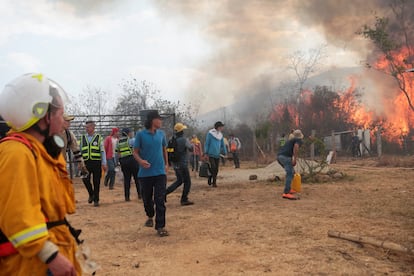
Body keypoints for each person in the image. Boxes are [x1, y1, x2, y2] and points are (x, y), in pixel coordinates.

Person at [0, 73, 81, 275]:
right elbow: (17, 217)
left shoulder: (38, 151)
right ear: (44, 115)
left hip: (50, 251)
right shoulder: (17, 153)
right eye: (60, 114)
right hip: (33, 264)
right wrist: (51, 256)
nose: (63, 121)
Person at [133, 110, 169, 237]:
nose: (161, 121)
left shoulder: (161, 134)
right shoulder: (141, 135)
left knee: (160, 199)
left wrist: (166, 163)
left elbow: (164, 149)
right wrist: (141, 161)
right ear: (153, 120)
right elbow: (135, 152)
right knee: (147, 199)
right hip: (145, 173)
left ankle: (160, 226)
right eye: (159, 119)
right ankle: (150, 215)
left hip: (160, 172)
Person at [166, 123, 194, 206]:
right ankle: (184, 199)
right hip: (183, 164)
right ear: (181, 131)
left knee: (179, 181)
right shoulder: (184, 140)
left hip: (175, 164)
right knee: (187, 182)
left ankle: (165, 192)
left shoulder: (172, 139)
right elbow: (191, 149)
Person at [80, 120, 107, 207]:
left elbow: (102, 151)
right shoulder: (82, 137)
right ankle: (91, 194)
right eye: (86, 127)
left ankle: (96, 200)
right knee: (85, 179)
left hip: (96, 162)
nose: (86, 129)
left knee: (96, 181)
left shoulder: (99, 138)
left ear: (93, 127)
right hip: (86, 163)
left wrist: (104, 162)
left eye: (88, 127)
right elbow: (80, 151)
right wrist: (79, 162)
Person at [277, 129, 304, 200]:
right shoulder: (298, 140)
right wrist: (295, 159)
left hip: (279, 157)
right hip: (285, 157)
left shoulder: (290, 140)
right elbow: (296, 147)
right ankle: (286, 193)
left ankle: (289, 189)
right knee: (289, 173)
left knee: (291, 173)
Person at [117, 128, 141, 201]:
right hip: (132, 160)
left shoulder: (119, 142)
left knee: (127, 179)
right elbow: (137, 149)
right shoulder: (132, 140)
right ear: (128, 133)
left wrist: (119, 161)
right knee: (137, 178)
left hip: (124, 161)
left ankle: (127, 197)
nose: (131, 133)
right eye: (130, 132)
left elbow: (118, 153)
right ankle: (140, 194)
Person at [204, 121, 227, 187]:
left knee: (216, 169)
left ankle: (214, 182)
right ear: (218, 127)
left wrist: (225, 152)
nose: (222, 128)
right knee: (213, 167)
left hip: (217, 154)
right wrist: (206, 152)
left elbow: (223, 145)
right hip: (211, 154)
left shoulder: (220, 135)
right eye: (221, 126)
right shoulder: (210, 133)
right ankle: (210, 177)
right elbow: (207, 143)